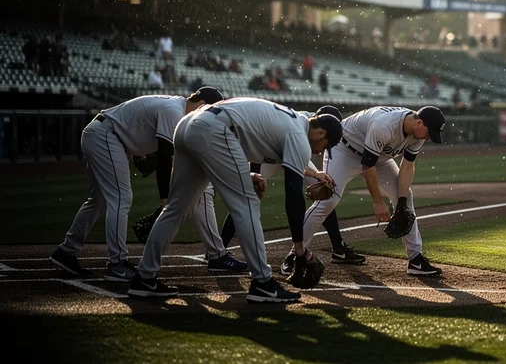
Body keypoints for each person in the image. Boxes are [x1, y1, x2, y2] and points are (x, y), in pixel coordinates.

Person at [127, 98, 343, 303]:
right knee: (247, 204)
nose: (322, 150)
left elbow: (243, 136)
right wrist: (300, 250)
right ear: (320, 133)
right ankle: (262, 282)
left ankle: (144, 277)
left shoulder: (291, 119)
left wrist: (243, 175)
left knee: (176, 208)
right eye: (326, 145)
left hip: (188, 126)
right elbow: (293, 195)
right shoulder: (299, 135)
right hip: (214, 130)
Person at [48, 87, 226, 281]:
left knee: (98, 200)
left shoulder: (175, 105)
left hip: (102, 134)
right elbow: (165, 158)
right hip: (106, 136)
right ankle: (117, 264)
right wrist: (165, 198)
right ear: (201, 105)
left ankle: (66, 251)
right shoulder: (174, 112)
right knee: (121, 197)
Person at [289, 106, 446, 277]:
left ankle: (416, 259)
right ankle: (295, 255)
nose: (429, 137)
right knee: (328, 200)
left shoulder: (418, 133)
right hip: (345, 151)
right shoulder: (384, 125)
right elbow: (367, 166)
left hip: (379, 158)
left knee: (406, 196)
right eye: (429, 132)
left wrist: (400, 202)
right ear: (419, 122)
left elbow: (407, 166)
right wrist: (378, 202)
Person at [218, 105, 366, 269]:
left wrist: (317, 175)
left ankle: (338, 247)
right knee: (248, 196)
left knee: (325, 190)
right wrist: (316, 173)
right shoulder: (301, 127)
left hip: (286, 148)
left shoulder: (311, 126)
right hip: (265, 154)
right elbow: (289, 158)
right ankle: (220, 249)